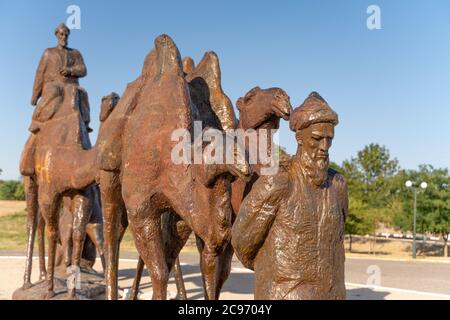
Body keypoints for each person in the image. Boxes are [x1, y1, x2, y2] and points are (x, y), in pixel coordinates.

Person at [232, 92, 348, 300]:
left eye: (329, 139)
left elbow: (338, 239)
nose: (323, 147)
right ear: (299, 137)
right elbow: (243, 243)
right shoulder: (278, 182)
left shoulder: (338, 185)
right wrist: (275, 272)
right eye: (316, 138)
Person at [29, 23, 91, 133]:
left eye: (66, 35)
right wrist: (35, 95)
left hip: (70, 84)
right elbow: (40, 74)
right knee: (52, 92)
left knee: (82, 93)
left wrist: (70, 70)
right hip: (53, 83)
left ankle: (85, 123)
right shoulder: (48, 52)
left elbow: (83, 70)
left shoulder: (75, 53)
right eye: (61, 34)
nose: (64, 37)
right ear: (57, 35)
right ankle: (35, 120)